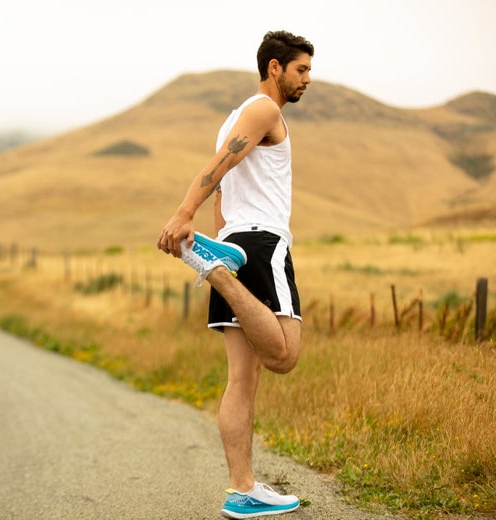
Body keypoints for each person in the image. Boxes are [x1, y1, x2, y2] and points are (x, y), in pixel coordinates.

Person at [156, 30, 313, 519]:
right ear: (274, 68)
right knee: (284, 357)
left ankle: (241, 490)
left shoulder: (235, 117)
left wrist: (221, 240)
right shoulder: (265, 110)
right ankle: (217, 272)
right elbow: (220, 165)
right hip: (260, 247)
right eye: (301, 69)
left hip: (234, 246)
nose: (308, 78)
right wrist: (185, 213)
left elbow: (226, 187)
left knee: (241, 380)